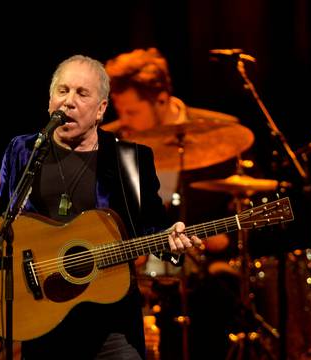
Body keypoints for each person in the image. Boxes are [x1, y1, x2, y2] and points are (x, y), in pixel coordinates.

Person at [0, 54, 202, 359]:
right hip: (41, 312)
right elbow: (0, 225)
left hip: (111, 322)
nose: (68, 101)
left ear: (101, 109)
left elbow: (152, 228)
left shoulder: (131, 160)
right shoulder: (23, 151)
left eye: (82, 93)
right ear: (49, 101)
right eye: (63, 91)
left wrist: (171, 241)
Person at [104, 48, 242, 360]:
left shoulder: (219, 134)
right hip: (132, 269)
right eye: (119, 111)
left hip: (200, 274)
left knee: (216, 297)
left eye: (132, 112)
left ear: (162, 99)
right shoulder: (113, 141)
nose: (123, 122)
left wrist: (223, 239)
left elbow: (243, 205)